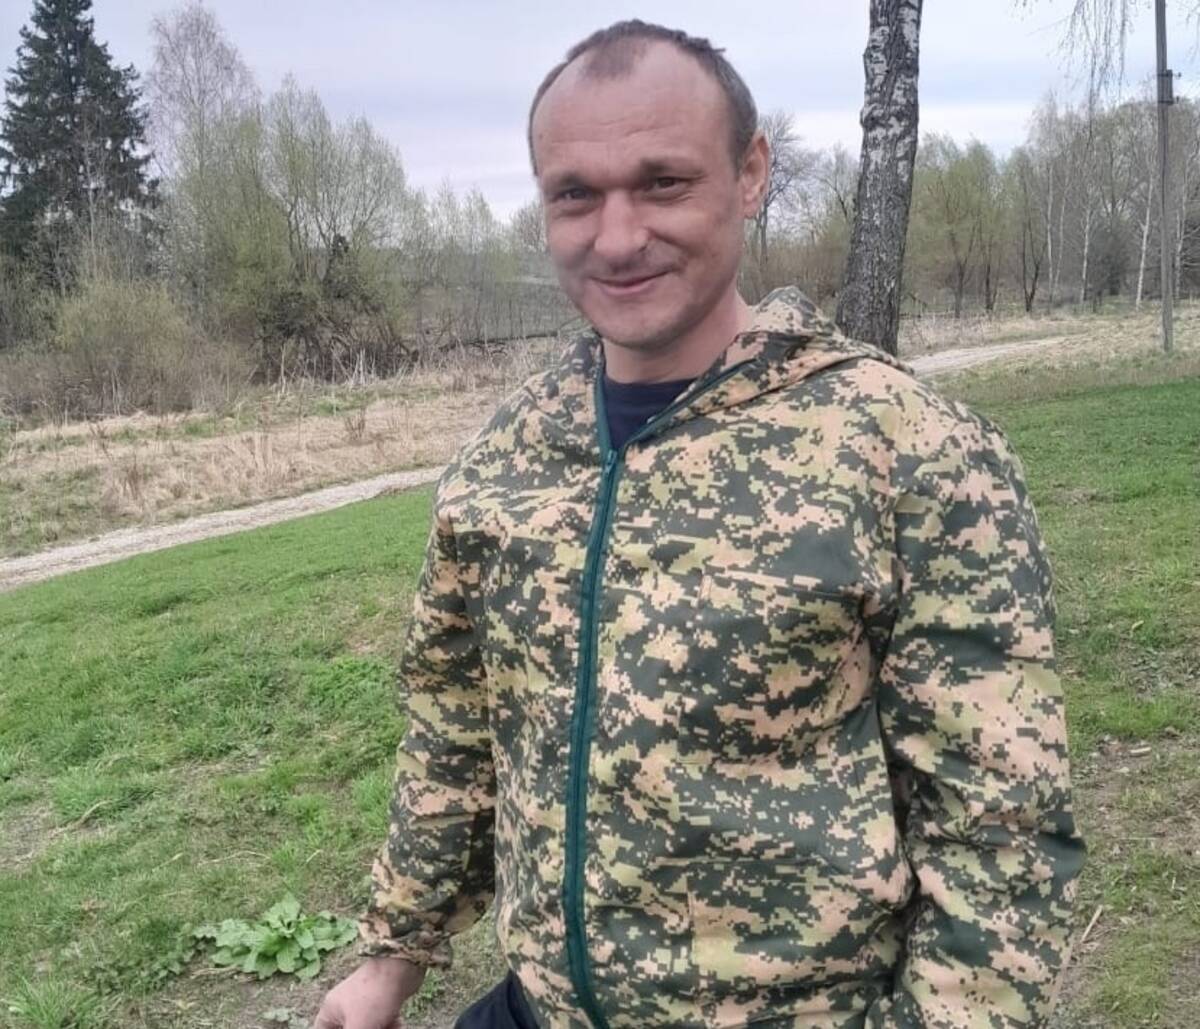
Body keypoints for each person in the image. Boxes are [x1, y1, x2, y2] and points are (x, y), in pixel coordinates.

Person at [313, 19, 1085, 1029]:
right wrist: (390, 957)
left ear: (750, 173)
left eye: (663, 182)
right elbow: (454, 737)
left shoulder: (908, 450)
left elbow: (1001, 827)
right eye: (575, 194)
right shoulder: (503, 461)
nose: (617, 236)